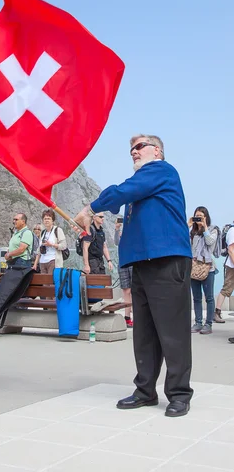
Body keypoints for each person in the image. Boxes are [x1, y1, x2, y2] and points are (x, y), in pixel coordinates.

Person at [74, 134, 193, 418]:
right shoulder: (145, 184)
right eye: (131, 150)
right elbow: (121, 198)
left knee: (172, 331)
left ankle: (178, 393)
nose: (134, 153)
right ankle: (145, 390)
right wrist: (96, 214)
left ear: (158, 151)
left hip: (167, 259)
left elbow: (123, 191)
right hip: (141, 262)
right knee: (145, 331)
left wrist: (90, 208)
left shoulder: (161, 170)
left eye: (139, 147)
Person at [189, 207, 218, 335]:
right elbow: (182, 241)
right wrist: (188, 225)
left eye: (201, 216)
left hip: (208, 268)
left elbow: (210, 242)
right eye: (197, 216)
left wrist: (205, 226)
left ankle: (208, 324)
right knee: (196, 297)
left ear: (206, 217)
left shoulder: (213, 229)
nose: (198, 219)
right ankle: (198, 322)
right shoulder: (193, 232)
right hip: (194, 268)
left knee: (209, 297)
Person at [33, 209, 67, 274]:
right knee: (44, 283)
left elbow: (63, 246)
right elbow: (39, 250)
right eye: (45, 219)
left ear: (52, 220)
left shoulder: (57, 230)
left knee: (51, 282)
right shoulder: (43, 232)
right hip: (42, 262)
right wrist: (35, 264)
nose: (46, 220)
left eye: (48, 218)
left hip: (53, 261)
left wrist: (51, 244)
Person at [114, 220, 133, 328]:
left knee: (135, 290)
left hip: (134, 261)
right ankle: (127, 317)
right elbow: (116, 242)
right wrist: (117, 229)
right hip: (123, 262)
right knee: (126, 290)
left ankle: (138, 317)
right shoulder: (121, 234)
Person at [214, 225, 234, 328]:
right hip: (232, 266)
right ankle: (217, 312)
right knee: (226, 289)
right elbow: (230, 249)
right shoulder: (232, 231)